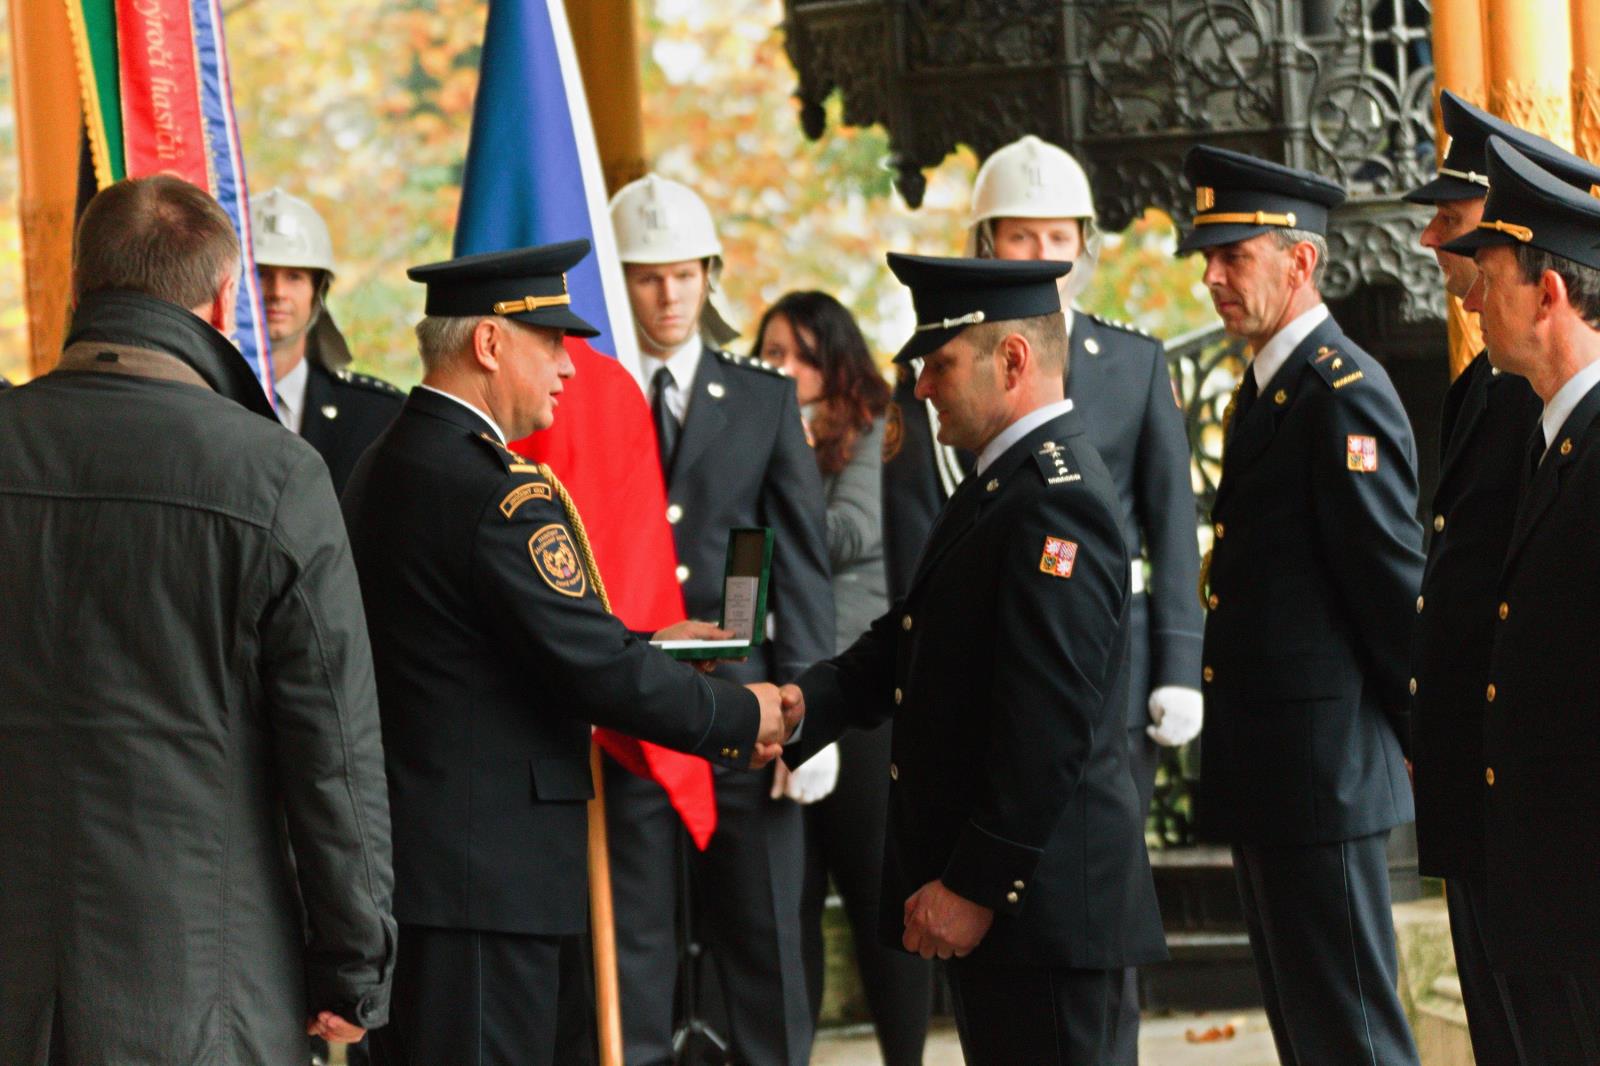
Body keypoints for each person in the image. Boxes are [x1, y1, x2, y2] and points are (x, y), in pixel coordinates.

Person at [341, 238, 796, 1066]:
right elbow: (585, 666)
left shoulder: (393, 458)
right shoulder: (497, 492)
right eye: (551, 342)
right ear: (489, 344)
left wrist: (648, 641)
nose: (570, 367)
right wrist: (740, 714)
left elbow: (496, 638)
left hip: (437, 871)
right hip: (488, 884)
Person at [0, 174, 395, 1063]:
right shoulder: (274, 476)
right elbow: (332, 753)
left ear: (78, 289)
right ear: (224, 301)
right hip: (203, 985)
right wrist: (354, 967)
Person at [780, 252, 1167, 1065]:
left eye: (940, 363)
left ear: (1014, 360)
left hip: (1044, 916)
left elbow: (1047, 729)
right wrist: (808, 706)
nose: (919, 386)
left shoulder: (1057, 500)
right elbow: (920, 634)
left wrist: (975, 887)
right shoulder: (1002, 482)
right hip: (1014, 919)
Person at [1180, 145, 1423, 1065]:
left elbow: (1393, 592)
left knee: (1354, 1036)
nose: (1212, 277)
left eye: (1233, 255)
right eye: (1210, 256)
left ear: (1301, 260)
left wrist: (1424, 738)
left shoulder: (1338, 396)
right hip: (1278, 772)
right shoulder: (1273, 387)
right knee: (1311, 1035)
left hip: (1322, 778)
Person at [966, 134, 1203, 1061]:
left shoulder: (1135, 364)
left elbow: (1171, 518)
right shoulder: (953, 365)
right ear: (985, 244)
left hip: (1116, 669)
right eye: (1017, 237)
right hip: (996, 666)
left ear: (1085, 242)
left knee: (1103, 886)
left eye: (1054, 234)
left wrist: (1179, 664)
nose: (1038, 255)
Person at [601, 175, 834, 1066]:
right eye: (648, 276)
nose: (668, 295)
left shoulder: (764, 396)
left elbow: (800, 563)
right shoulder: (592, 395)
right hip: (630, 711)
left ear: (709, 277)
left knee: (767, 942)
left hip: (749, 714)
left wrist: (810, 715)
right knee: (635, 953)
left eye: (685, 275)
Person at [1404, 91, 1595, 1066]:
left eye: (1484, 267)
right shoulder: (1531, 418)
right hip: (1524, 850)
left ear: (1547, 291)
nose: (1469, 294)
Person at [754, 290, 934, 1065]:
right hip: (772, 695)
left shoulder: (870, 424)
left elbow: (850, 531)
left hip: (855, 698)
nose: (782, 369)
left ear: (834, 360)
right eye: (770, 354)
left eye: (798, 353)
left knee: (877, 899)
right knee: (783, 910)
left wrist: (761, 505)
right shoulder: (754, 431)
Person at [252, 188, 404, 495]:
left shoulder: (377, 415)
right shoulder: (197, 398)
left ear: (318, 292)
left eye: (294, 276)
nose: (277, 291)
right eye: (261, 274)